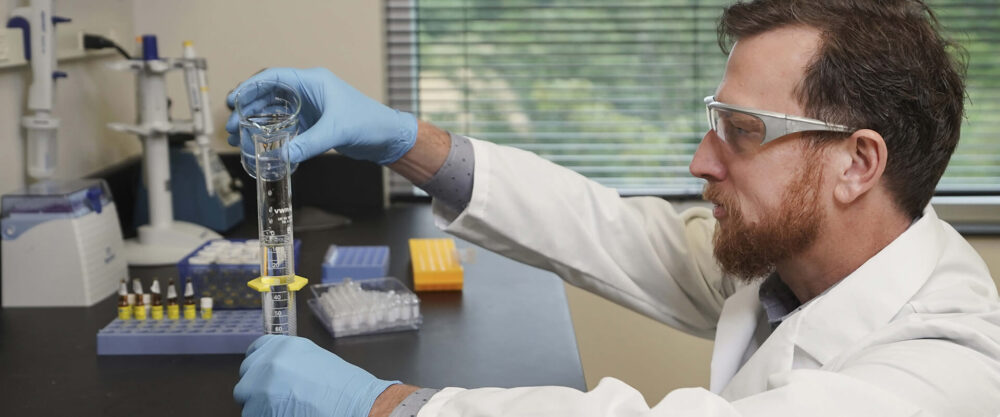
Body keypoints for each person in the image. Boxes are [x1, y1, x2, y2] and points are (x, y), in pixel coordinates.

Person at [228, 0, 1000, 416]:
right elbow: (607, 230)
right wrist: (403, 140)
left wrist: (389, 405)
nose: (701, 161)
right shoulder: (793, 261)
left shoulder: (948, 366)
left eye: (741, 132)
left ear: (857, 163)